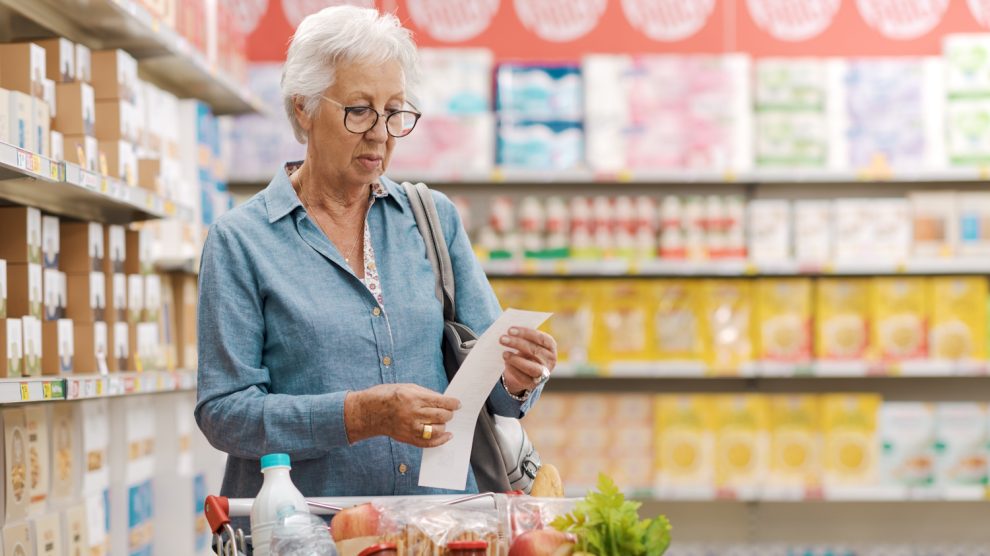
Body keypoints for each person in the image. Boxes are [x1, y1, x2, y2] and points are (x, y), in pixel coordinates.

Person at [194, 5, 558, 504]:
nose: (381, 133)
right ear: (303, 107)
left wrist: (517, 379)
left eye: (395, 112)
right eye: (359, 110)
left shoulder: (432, 219)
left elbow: (493, 390)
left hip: (438, 524)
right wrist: (358, 416)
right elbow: (224, 413)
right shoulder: (242, 240)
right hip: (309, 530)